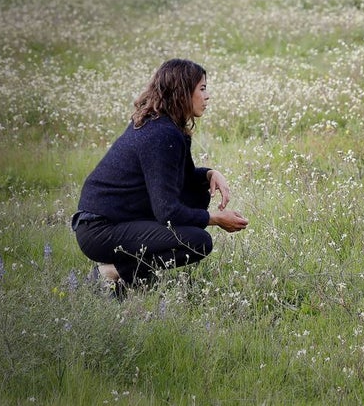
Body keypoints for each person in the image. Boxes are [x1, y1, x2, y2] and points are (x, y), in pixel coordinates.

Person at [72, 58, 248, 294]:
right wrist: (215, 218)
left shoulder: (164, 126)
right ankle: (112, 272)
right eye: (202, 89)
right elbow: (167, 211)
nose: (207, 96)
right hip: (100, 230)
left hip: (112, 223)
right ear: (182, 91)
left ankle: (131, 276)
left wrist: (210, 174)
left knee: (197, 195)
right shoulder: (161, 134)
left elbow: (180, 179)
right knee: (198, 242)